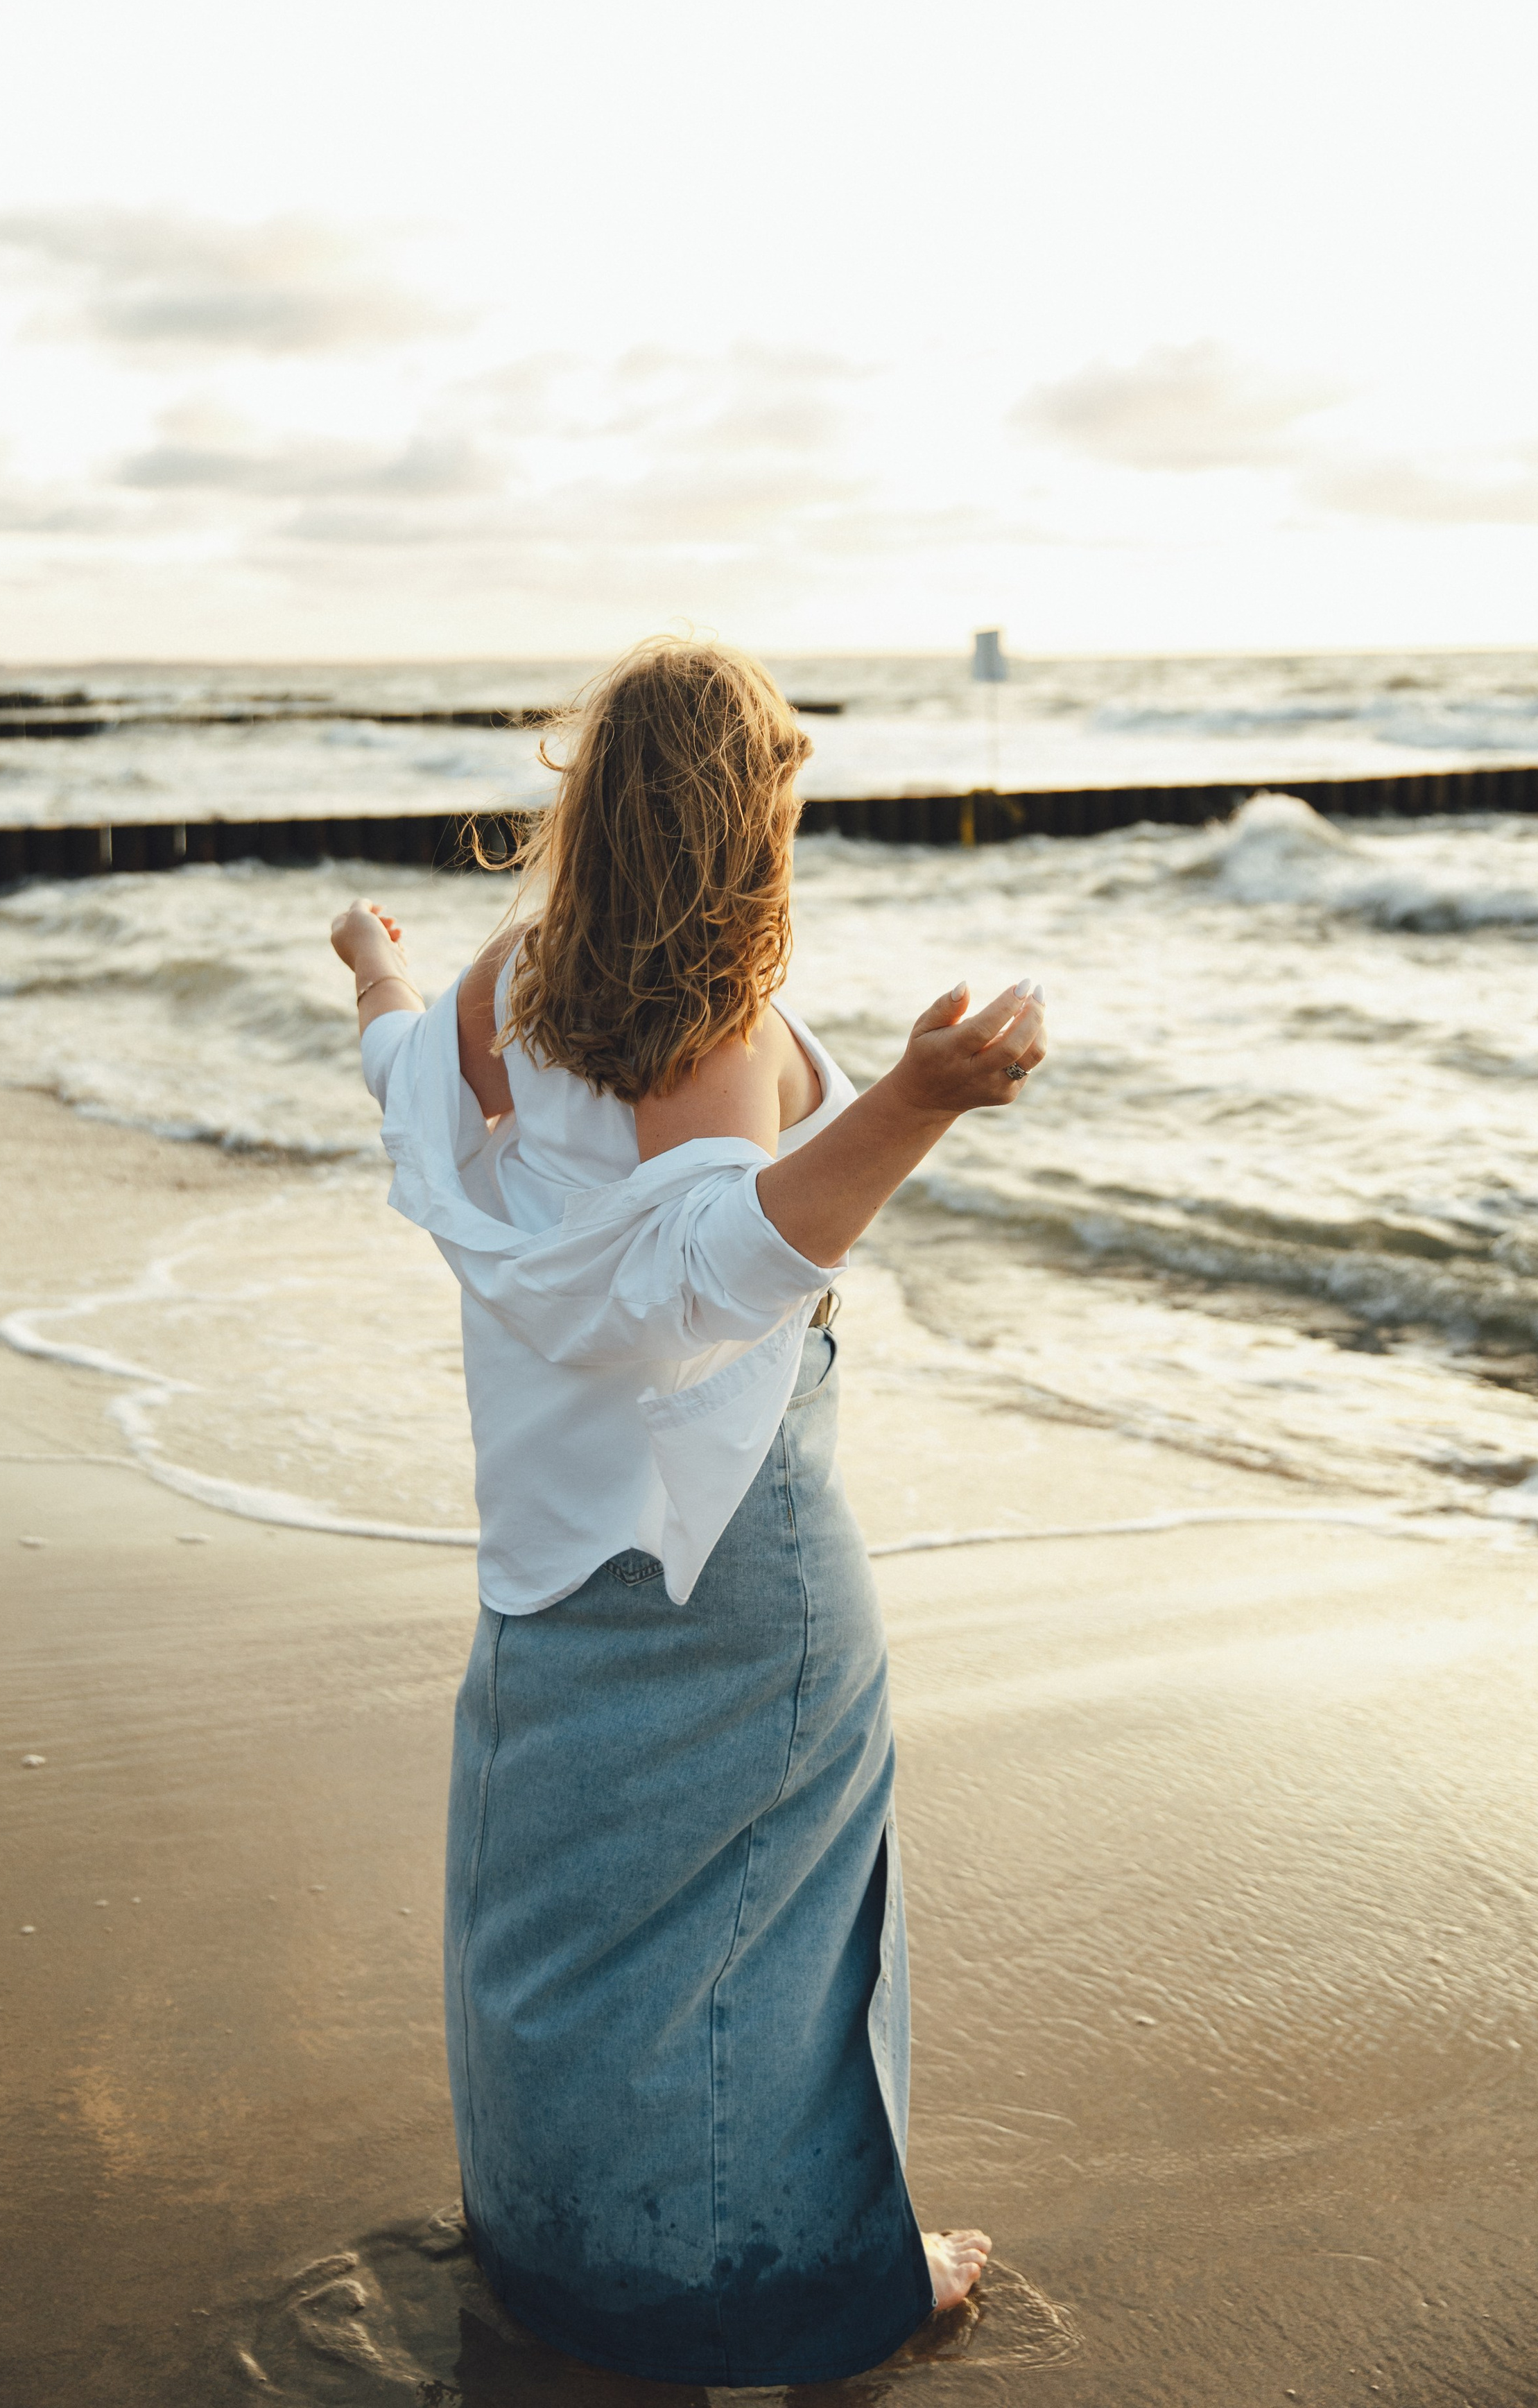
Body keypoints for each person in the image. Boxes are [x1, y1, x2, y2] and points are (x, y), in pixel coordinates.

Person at [331, 636, 1047, 2389]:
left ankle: (568, 2254)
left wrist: (369, 963)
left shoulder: (506, 988)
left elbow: (395, 1074)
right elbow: (696, 1285)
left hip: (552, 1531)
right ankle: (804, 2285)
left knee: (558, 1925)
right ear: (746, 818)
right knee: (772, 1923)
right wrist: (912, 1101)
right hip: (728, 1549)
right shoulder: (709, 1023)